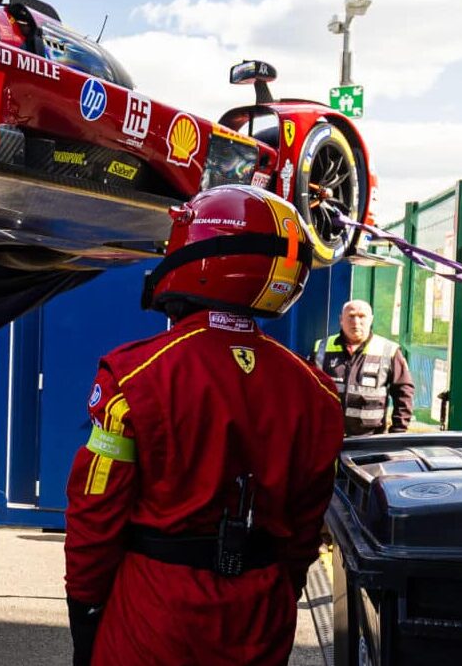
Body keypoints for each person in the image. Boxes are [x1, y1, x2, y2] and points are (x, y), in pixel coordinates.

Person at [65, 185, 345, 666]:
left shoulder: (134, 377)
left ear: (198, 255)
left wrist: (85, 609)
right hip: (261, 616)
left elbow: (96, 511)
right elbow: (306, 525)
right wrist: (279, 588)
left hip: (155, 616)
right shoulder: (317, 393)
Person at [312, 299, 416, 435]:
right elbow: (307, 391)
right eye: (351, 316)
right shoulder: (321, 348)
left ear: (371, 319)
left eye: (362, 316)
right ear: (341, 319)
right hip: (326, 437)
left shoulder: (389, 350)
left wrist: (398, 431)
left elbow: (404, 392)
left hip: (370, 441)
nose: (356, 322)